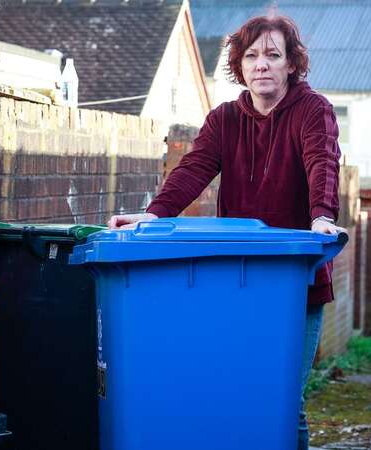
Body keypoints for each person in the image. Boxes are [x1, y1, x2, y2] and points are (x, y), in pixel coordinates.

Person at [107, 14, 344, 450]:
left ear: (292, 64)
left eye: (274, 55)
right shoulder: (224, 120)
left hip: (296, 283)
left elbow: (322, 162)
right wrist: (155, 215)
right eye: (251, 56)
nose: (262, 65)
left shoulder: (314, 111)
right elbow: (193, 169)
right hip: (235, 284)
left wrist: (321, 217)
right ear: (240, 65)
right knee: (235, 393)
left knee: (283, 400)